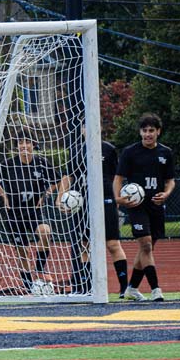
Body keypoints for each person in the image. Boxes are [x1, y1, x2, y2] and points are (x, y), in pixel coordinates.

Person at [57, 126, 129, 297]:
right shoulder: (75, 150)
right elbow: (69, 176)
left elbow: (116, 177)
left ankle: (125, 288)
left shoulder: (109, 149)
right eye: (85, 126)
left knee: (112, 244)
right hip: (82, 203)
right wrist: (60, 197)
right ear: (82, 130)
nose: (88, 129)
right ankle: (87, 287)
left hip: (105, 201)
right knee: (84, 245)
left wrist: (116, 199)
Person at [113, 112, 176, 302]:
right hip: (136, 206)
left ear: (158, 132)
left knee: (146, 250)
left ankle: (132, 287)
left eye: (151, 130)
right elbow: (118, 178)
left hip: (156, 207)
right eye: (144, 130)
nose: (147, 134)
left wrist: (166, 194)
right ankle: (156, 289)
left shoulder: (166, 153)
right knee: (146, 245)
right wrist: (118, 199)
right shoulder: (130, 152)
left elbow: (170, 181)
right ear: (140, 132)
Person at [0, 131, 61, 293]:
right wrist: (4, 196)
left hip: (34, 211)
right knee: (22, 250)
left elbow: (58, 181)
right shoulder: (8, 164)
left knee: (45, 232)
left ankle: (39, 269)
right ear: (17, 146)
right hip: (14, 213)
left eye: (27, 142)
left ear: (33, 145)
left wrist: (45, 195)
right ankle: (28, 285)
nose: (24, 145)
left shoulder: (41, 163)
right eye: (20, 142)